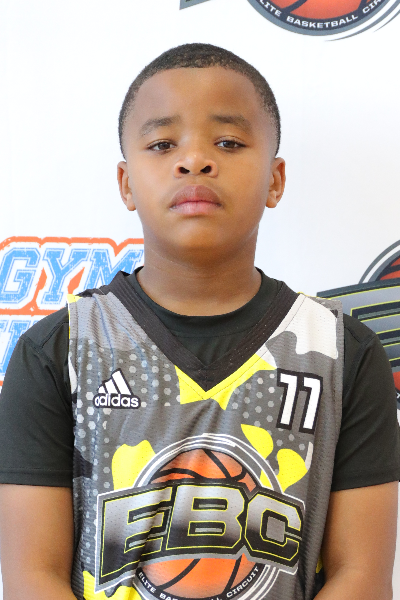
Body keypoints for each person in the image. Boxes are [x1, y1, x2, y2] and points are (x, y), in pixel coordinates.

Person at [0, 43, 398, 600]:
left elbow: (362, 576)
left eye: (228, 142)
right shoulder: (59, 350)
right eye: (163, 144)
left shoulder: (342, 353)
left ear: (276, 179)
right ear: (126, 183)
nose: (194, 161)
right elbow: (31, 577)